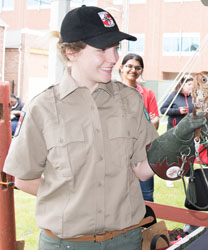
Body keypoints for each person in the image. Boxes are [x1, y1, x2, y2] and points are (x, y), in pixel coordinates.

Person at [3, 6, 159, 249]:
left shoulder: (130, 101)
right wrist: (73, 201)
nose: (114, 58)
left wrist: (174, 154)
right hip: (66, 244)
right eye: (102, 50)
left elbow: (141, 169)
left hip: (126, 240)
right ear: (71, 52)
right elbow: (23, 178)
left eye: (116, 48)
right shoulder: (43, 108)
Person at [120, 53, 159, 202]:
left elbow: (155, 121)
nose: (133, 70)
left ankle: (147, 225)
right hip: (118, 152)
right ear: (121, 68)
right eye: (129, 66)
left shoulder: (147, 94)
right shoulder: (111, 92)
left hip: (143, 151)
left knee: (146, 195)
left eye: (138, 67)